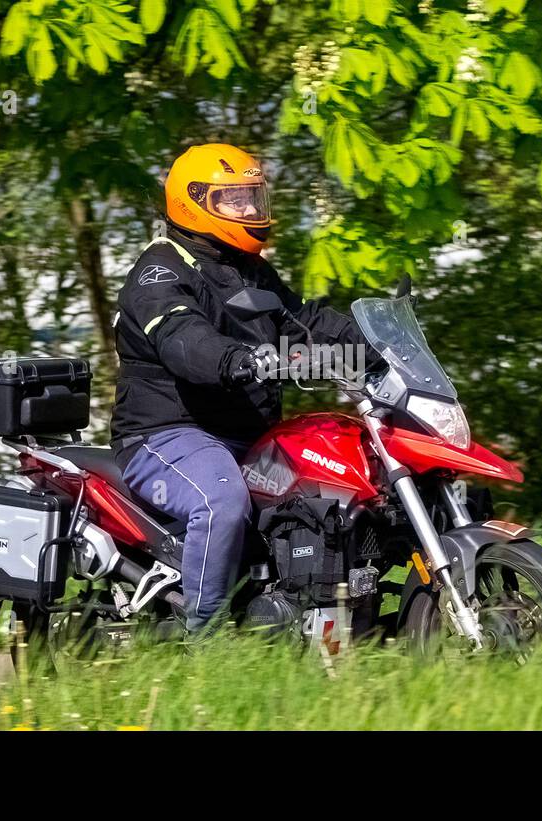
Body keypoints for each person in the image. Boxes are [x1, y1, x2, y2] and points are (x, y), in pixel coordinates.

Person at [109, 143, 377, 638]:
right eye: (235, 199)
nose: (251, 210)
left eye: (254, 197)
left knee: (338, 492)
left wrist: (374, 342)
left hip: (247, 434)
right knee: (221, 501)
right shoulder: (160, 271)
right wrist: (232, 358)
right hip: (167, 434)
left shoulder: (249, 270)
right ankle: (203, 640)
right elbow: (182, 336)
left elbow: (307, 322)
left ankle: (327, 619)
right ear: (194, 201)